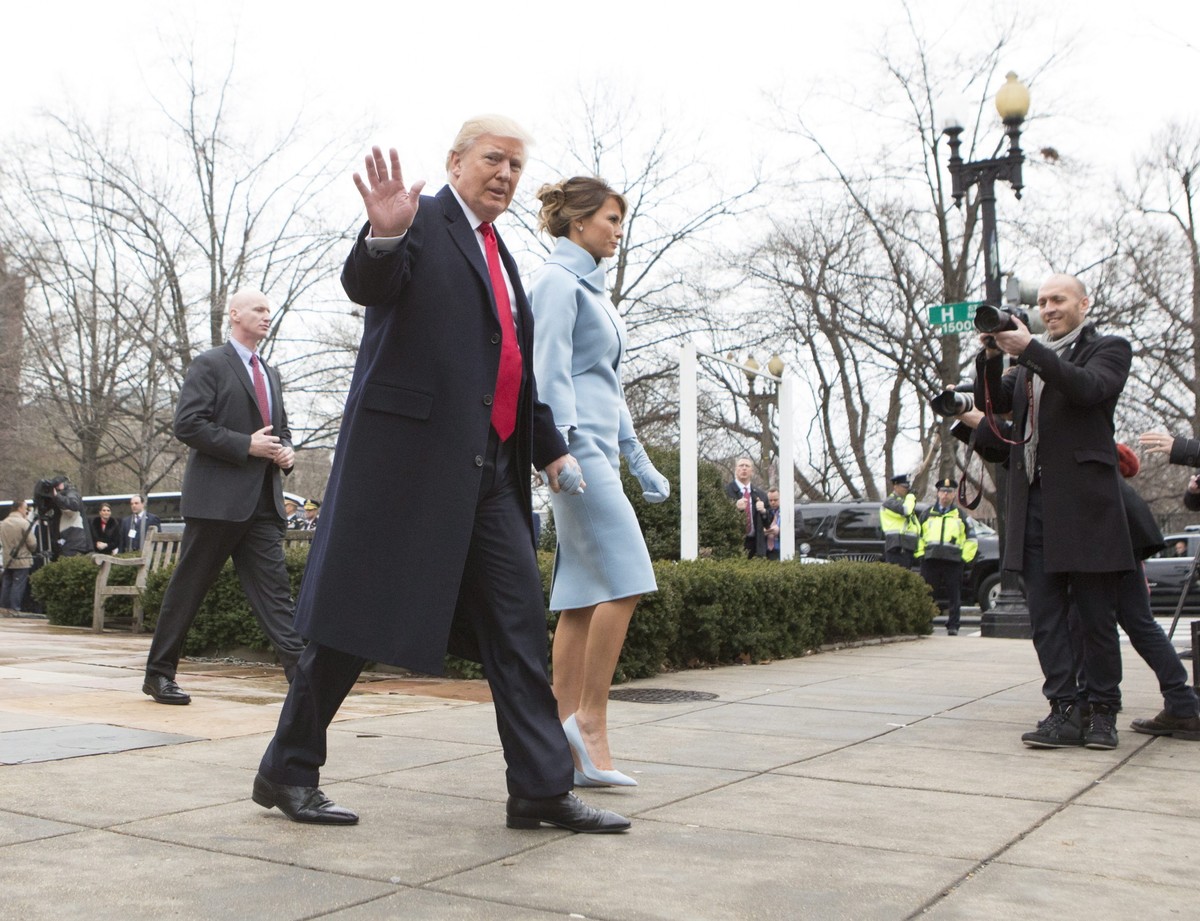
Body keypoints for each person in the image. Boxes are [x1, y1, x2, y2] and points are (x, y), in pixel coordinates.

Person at [254, 118, 629, 834]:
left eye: (517, 165)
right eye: (493, 159)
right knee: (348, 626)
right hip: (407, 470)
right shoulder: (420, 219)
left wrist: (549, 446)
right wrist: (384, 235)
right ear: (455, 162)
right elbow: (368, 282)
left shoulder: (501, 252)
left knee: (516, 625)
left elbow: (507, 365)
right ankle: (287, 768)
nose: (506, 175)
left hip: (490, 475)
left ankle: (541, 789)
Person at [952, 273, 1134, 750]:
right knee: (1047, 616)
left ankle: (1101, 711)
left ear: (1083, 304)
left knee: (1095, 615)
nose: (1050, 307)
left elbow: (1087, 389)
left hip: (1087, 507)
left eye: (1059, 300)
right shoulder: (1030, 364)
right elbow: (995, 404)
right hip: (1032, 502)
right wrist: (993, 353)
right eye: (1045, 301)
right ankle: (1064, 708)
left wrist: (1030, 348)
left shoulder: (1109, 349)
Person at [530, 175, 669, 789]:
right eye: (611, 219)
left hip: (597, 450)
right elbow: (549, 369)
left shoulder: (594, 291)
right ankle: (588, 721)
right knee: (628, 579)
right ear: (579, 222)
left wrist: (637, 458)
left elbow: (604, 383)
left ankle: (558, 741)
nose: (618, 230)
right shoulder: (558, 283)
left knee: (583, 592)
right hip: (575, 450)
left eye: (620, 220)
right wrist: (556, 451)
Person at [142, 289, 306, 706]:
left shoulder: (271, 374)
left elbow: (280, 431)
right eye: (258, 309)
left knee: (276, 596)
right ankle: (159, 675)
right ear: (234, 314)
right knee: (188, 591)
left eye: (270, 310)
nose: (267, 316)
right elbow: (188, 424)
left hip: (264, 505)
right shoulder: (210, 363)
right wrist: (243, 445)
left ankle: (302, 678)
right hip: (216, 502)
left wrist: (285, 452)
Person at [1068, 444, 1200, 740]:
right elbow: (1129, 462)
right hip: (1120, 527)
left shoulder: (1080, 432)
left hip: (1105, 527)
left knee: (1088, 619)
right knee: (1137, 624)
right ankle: (1181, 703)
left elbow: (1126, 460)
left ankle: (1093, 700)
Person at [914, 478, 977, 635]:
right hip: (931, 560)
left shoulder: (961, 516)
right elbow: (918, 537)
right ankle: (926, 622)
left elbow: (971, 539)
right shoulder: (926, 514)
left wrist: (964, 558)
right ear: (937, 493)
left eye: (949, 492)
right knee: (928, 593)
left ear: (954, 495)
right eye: (942, 491)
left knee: (954, 595)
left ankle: (953, 625)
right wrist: (921, 554)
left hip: (953, 561)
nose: (945, 495)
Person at [725, 457, 769, 558]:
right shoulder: (726, 491)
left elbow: (768, 523)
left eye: (747, 466)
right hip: (734, 544)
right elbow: (718, 517)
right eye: (741, 466)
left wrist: (763, 511)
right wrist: (734, 508)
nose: (744, 468)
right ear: (736, 469)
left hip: (756, 544)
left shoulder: (760, 494)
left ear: (752, 471)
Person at [1, 500, 37, 611]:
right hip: (22, 560)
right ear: (19, 508)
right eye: (25, 508)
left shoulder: (3, 523)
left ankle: (3, 608)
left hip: (8, 560)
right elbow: (32, 543)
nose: (26, 511)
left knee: (6, 585)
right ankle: (15, 609)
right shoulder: (24, 523)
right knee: (18, 586)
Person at [879, 473, 921, 568]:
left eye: (907, 487)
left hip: (907, 546)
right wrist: (911, 496)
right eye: (904, 487)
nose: (906, 489)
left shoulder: (903, 501)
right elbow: (906, 511)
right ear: (895, 486)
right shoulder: (889, 502)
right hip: (897, 546)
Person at [47, 477, 92, 559]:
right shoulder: (61, 497)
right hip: (69, 540)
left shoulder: (71, 494)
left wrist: (57, 496)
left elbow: (74, 505)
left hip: (74, 541)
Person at [764, 487, 783, 560]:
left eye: (775, 500)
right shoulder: (764, 513)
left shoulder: (792, 512)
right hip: (767, 551)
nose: (773, 502)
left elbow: (800, 530)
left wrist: (779, 531)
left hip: (782, 549)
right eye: (770, 500)